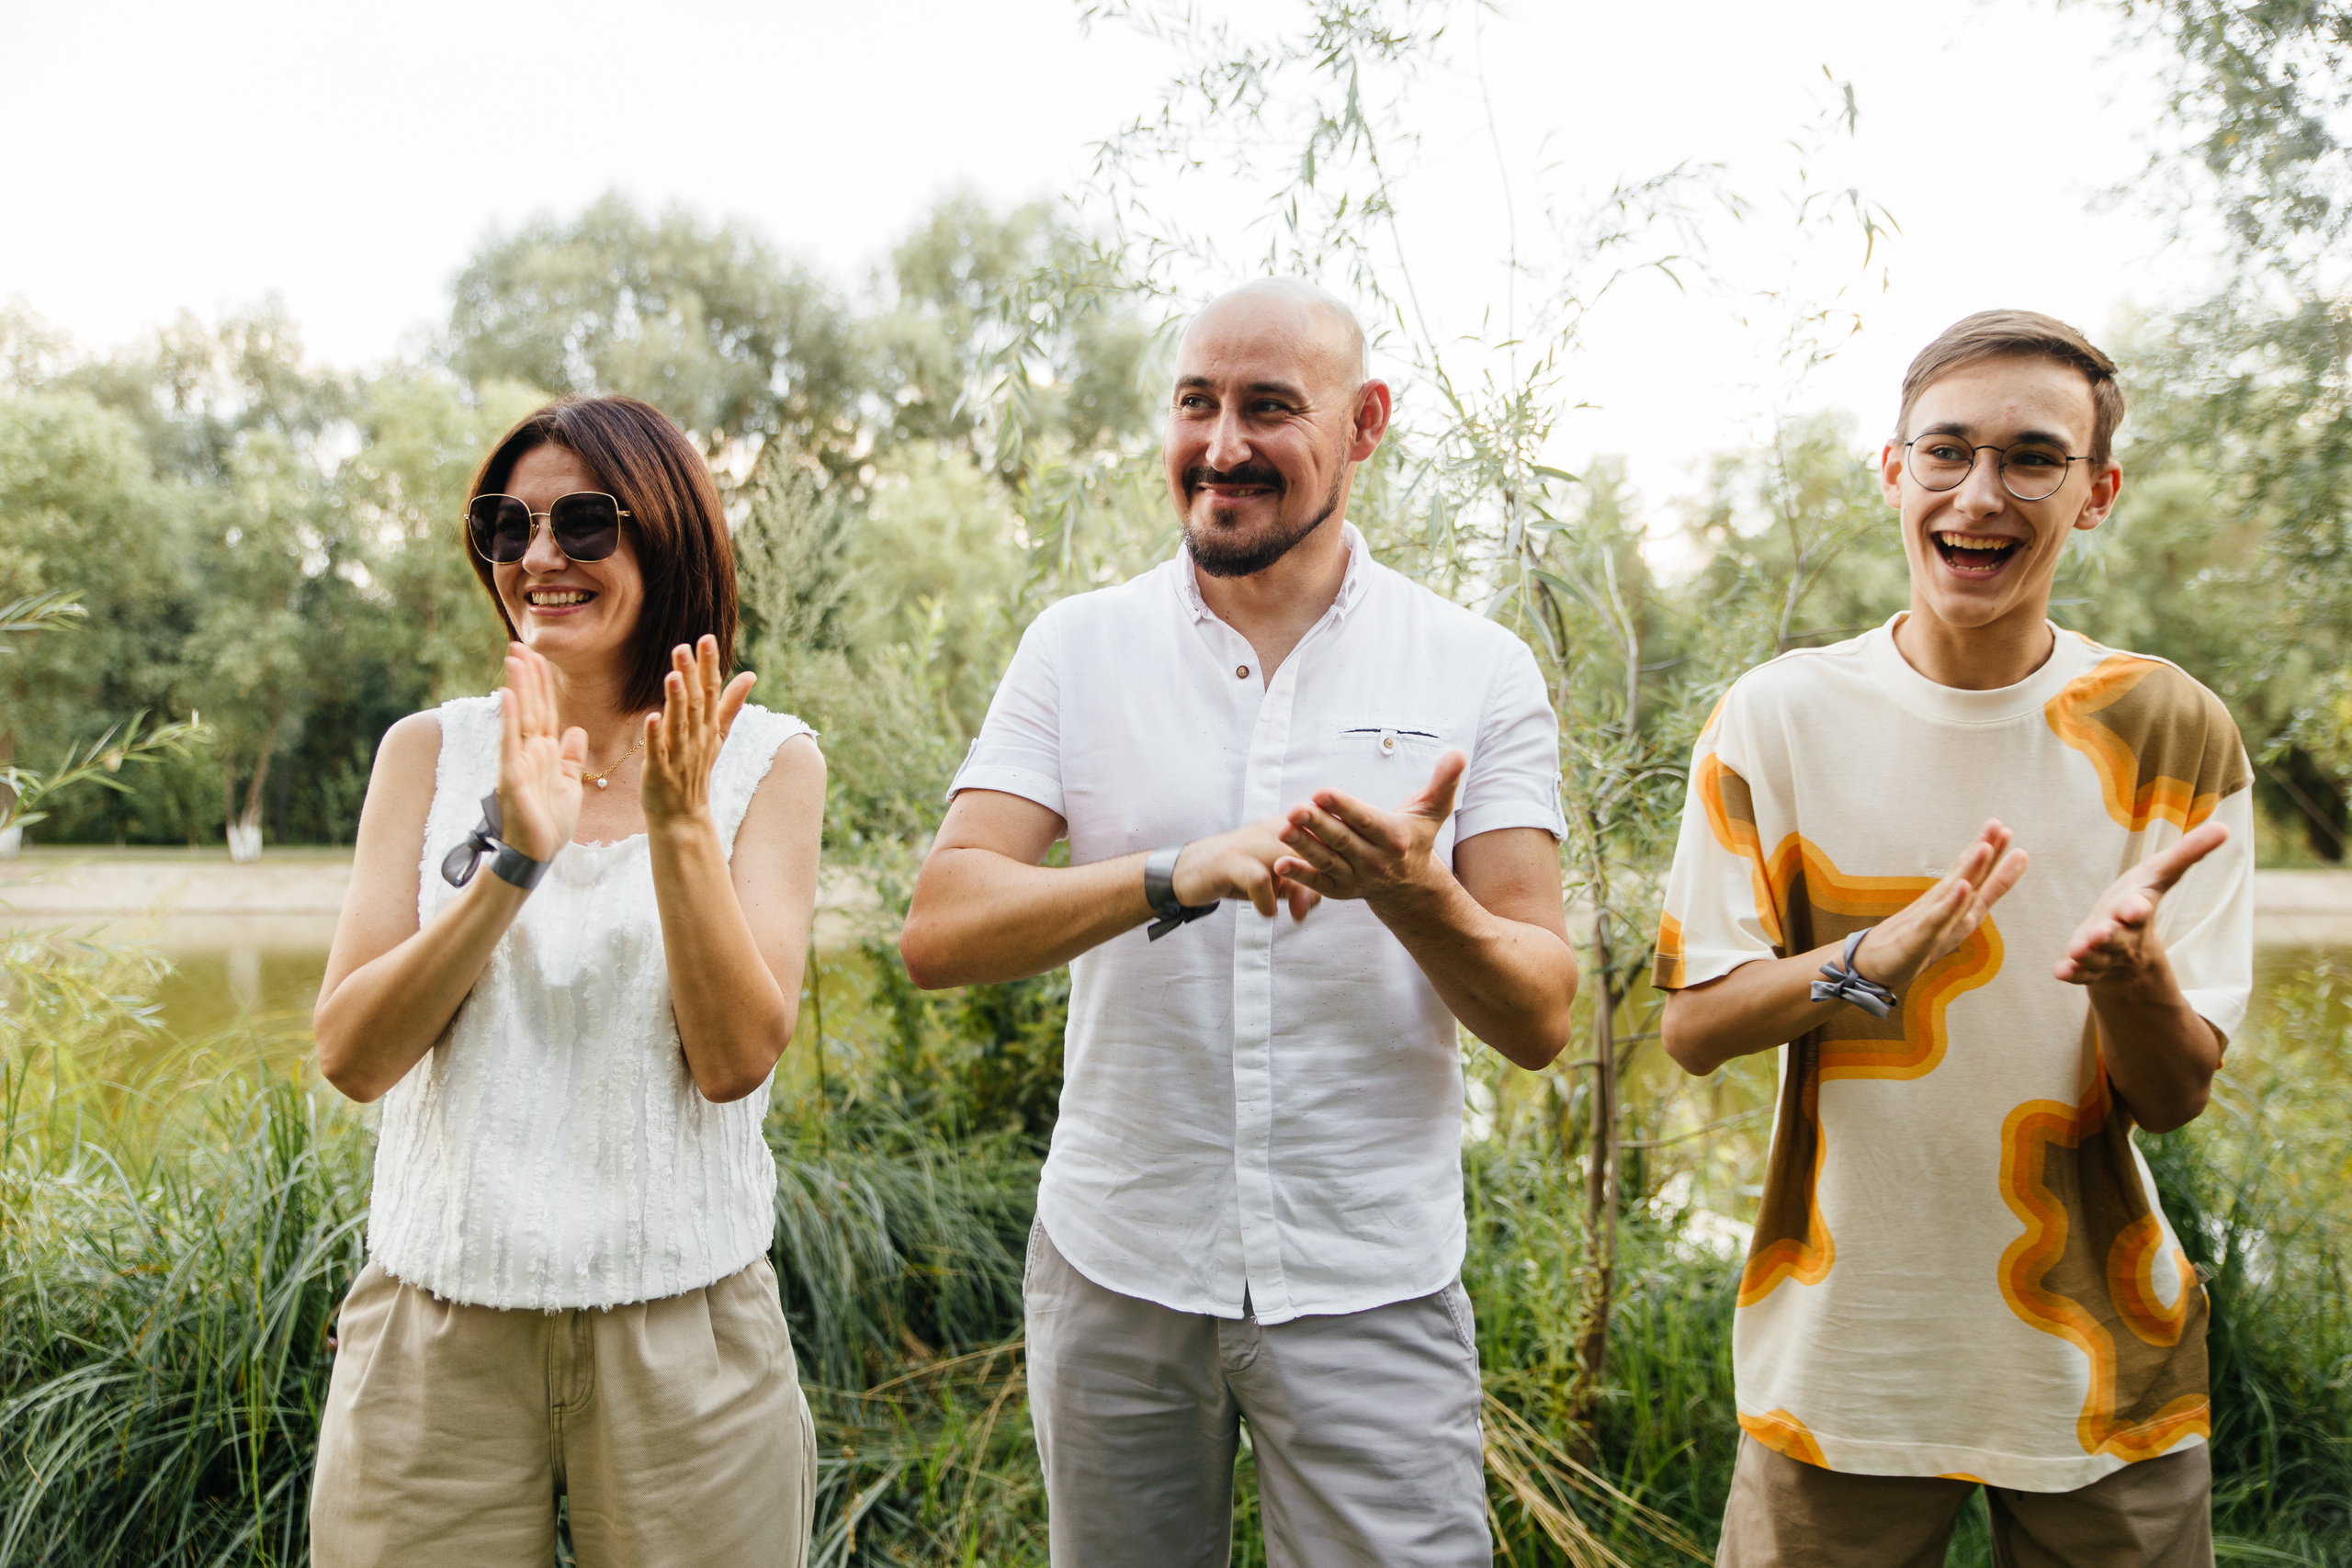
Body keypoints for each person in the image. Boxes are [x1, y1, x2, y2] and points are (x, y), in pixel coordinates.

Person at [899, 278, 1580, 1566]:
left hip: (1372, 1272)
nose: (1222, 445)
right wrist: (1174, 872)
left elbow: (1541, 1011)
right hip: (1120, 1263)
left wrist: (1416, 896)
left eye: (1271, 407)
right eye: (1195, 403)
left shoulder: (1473, 666)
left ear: (1366, 422)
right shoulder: (1076, 647)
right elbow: (942, 926)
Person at [1655, 310, 2253, 1567]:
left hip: (2103, 1375)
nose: (1981, 493)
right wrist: (1866, 963)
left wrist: (2133, 977)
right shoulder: (1778, 717)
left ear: (2097, 493)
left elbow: (2176, 1092)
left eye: (2034, 458)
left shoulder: (2172, 730)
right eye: (1948, 450)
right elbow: (1696, 1026)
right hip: (1841, 1361)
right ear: (1894, 470)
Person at [307, 395, 823, 1567]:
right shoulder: (427, 753)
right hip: (434, 1340)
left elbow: (736, 1059)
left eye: (585, 523)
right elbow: (352, 1055)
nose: (540, 555)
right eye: (509, 524)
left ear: (668, 537)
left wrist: (679, 820)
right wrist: (515, 863)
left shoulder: (769, 762)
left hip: (684, 1340)